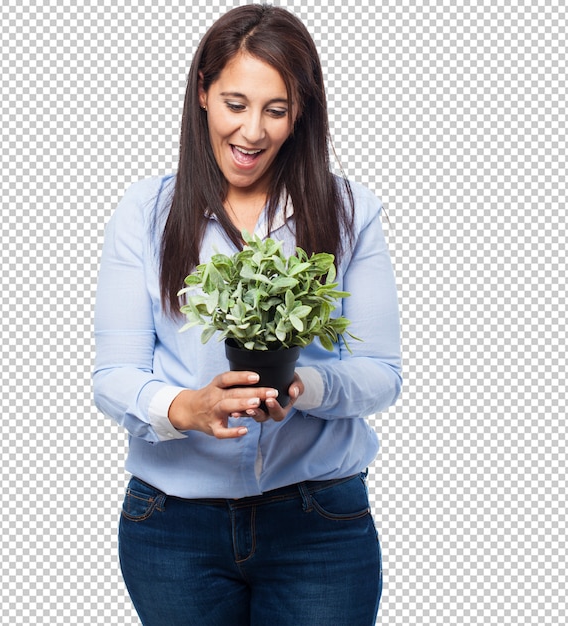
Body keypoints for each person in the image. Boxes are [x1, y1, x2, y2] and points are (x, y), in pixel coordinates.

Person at [93, 4, 401, 625]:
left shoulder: (348, 211)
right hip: (173, 526)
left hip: (320, 525)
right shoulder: (146, 211)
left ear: (300, 112)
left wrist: (305, 385)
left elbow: (381, 373)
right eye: (236, 104)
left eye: (276, 109)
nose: (253, 131)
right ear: (202, 93)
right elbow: (113, 376)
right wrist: (186, 407)